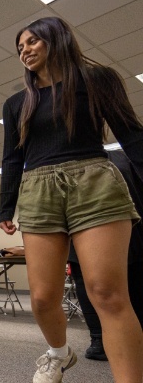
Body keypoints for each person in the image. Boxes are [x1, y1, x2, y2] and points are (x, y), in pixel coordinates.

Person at [0, 17, 143, 383]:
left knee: (107, 294)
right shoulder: (17, 103)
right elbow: (12, 157)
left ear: (56, 38)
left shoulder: (98, 80)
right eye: (19, 47)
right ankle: (59, 354)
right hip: (38, 190)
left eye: (31, 41)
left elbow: (132, 134)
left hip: (94, 182)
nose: (25, 50)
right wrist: (6, 206)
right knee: (43, 298)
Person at [67, 150, 143, 361]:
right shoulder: (125, 158)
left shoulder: (72, 161)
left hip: (105, 231)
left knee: (99, 285)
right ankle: (103, 340)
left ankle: (99, 340)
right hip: (128, 231)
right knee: (130, 282)